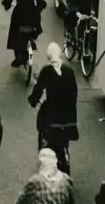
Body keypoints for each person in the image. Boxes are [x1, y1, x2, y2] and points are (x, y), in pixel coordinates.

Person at [28, 43, 79, 175]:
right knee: (64, 141)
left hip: (52, 117)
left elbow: (38, 91)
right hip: (68, 118)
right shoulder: (69, 71)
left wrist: (33, 101)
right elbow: (74, 93)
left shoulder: (46, 71)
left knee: (43, 127)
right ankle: (65, 156)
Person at [2, 0, 46, 67]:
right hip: (33, 14)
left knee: (14, 32)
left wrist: (6, 4)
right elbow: (40, 1)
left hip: (19, 14)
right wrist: (40, 7)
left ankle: (18, 58)